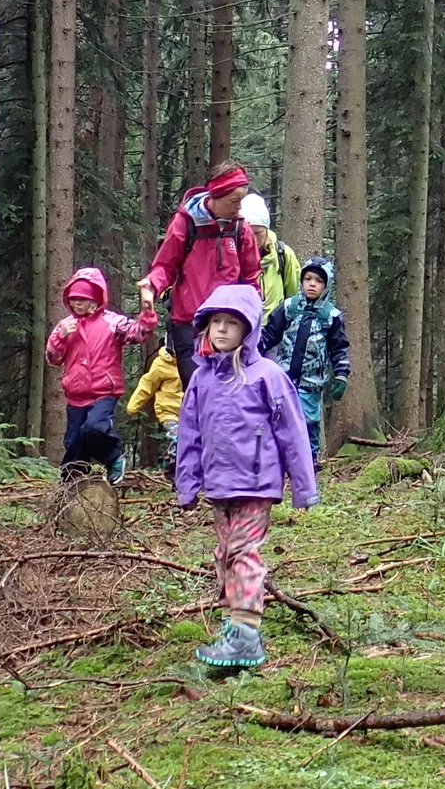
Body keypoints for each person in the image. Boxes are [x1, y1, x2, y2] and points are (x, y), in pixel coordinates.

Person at [176, 284, 318, 669]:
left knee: (243, 552)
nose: (221, 330)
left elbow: (292, 430)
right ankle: (232, 625)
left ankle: (247, 635)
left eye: (231, 323)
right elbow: (190, 434)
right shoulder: (201, 380)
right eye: (214, 323)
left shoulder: (266, 376)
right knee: (224, 554)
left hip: (257, 483)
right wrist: (187, 483)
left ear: (249, 329)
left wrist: (304, 487)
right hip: (219, 486)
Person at [142, 162, 261, 391]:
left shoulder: (240, 228)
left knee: (227, 390)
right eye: (234, 201)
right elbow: (165, 266)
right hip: (188, 321)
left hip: (227, 321)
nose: (238, 208)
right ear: (217, 195)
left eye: (241, 202)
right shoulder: (186, 223)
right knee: (196, 387)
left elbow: (252, 277)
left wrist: (253, 318)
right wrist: (151, 286)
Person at [46, 267, 157, 483]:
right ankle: (71, 482)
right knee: (73, 442)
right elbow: (53, 358)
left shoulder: (112, 322)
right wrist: (60, 337)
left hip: (104, 392)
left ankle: (113, 457)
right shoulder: (65, 326)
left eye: (83, 298)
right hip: (76, 395)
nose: (77, 303)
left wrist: (148, 312)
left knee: (95, 428)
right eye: (74, 298)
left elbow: (139, 332)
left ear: (95, 299)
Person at [260, 257, 350, 468]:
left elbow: (339, 348)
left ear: (326, 286)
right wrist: (252, 352)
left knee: (308, 419)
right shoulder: (289, 307)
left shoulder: (331, 316)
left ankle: (309, 460)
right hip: (284, 377)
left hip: (311, 380)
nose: (311, 284)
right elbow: (270, 334)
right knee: (278, 415)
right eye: (307, 278)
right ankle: (277, 459)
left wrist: (341, 375)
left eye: (318, 280)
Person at [127, 336, 184, 477]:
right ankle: (172, 468)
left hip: (190, 412)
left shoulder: (191, 361)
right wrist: (133, 405)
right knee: (177, 437)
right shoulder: (161, 363)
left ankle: (171, 460)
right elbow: (147, 384)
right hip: (169, 412)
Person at [240, 192, 301, 316]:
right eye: (248, 233)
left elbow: (295, 297)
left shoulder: (283, 254)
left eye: (258, 233)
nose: (253, 239)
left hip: (275, 331)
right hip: (242, 328)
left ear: (267, 230)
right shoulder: (232, 258)